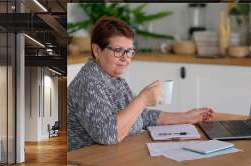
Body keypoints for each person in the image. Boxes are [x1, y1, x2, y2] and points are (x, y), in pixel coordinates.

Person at [68, 16, 213, 151]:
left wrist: (186, 117)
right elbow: (109, 135)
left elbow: (140, 116)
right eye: (118, 51)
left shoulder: (115, 79)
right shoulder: (89, 83)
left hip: (115, 153)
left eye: (129, 51)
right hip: (86, 161)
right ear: (97, 50)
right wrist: (143, 99)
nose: (126, 58)